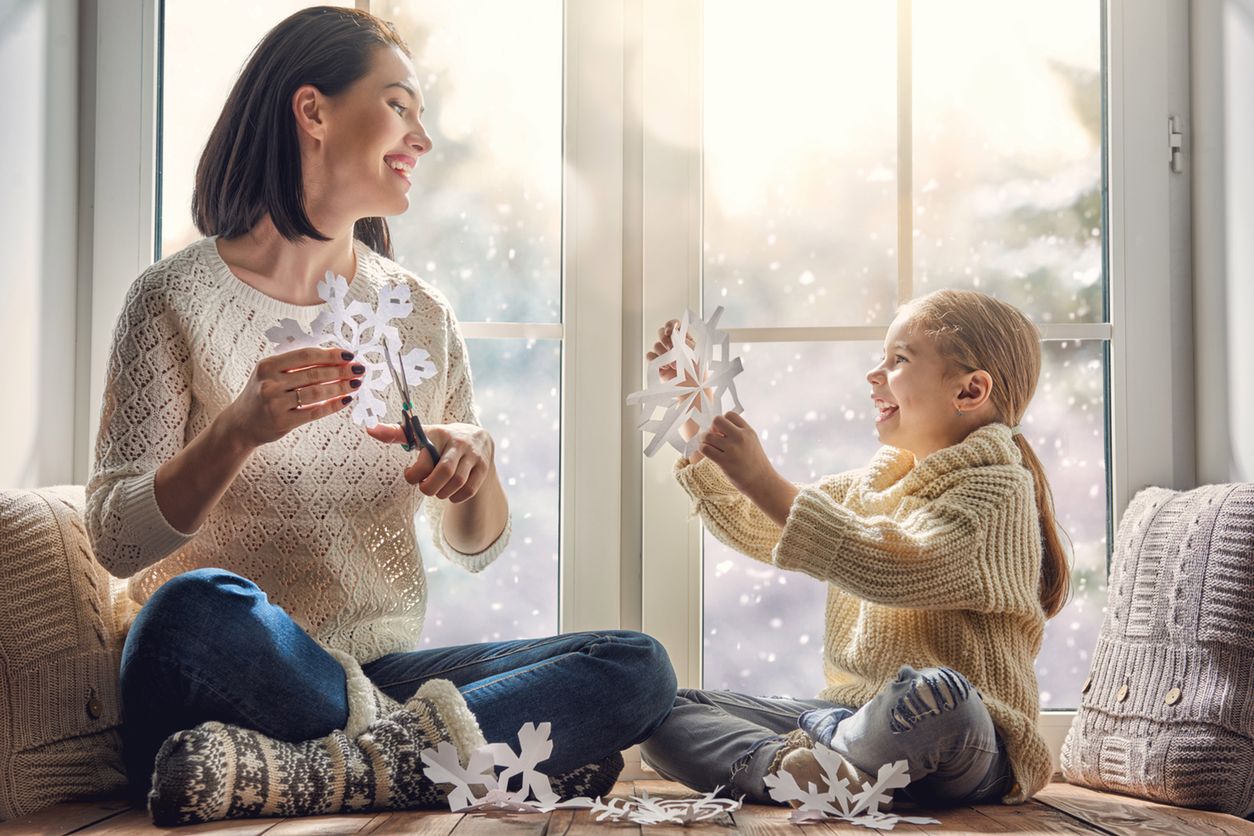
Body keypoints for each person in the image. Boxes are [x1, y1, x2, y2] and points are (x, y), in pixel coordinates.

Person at [86, 6, 674, 825]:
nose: (421, 138)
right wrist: (238, 431)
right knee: (193, 607)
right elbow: (115, 539)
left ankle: (321, 773)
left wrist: (476, 474)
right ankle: (457, 763)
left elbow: (472, 547)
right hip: (217, 678)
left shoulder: (417, 314)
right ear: (313, 111)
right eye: (399, 105)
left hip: (374, 672)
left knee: (635, 664)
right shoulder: (172, 298)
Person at [640, 288, 1068, 809]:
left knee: (939, 696)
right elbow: (765, 526)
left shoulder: (999, 491)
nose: (874, 374)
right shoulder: (873, 485)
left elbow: (895, 562)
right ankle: (797, 769)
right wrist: (697, 407)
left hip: (968, 742)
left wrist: (764, 478)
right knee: (660, 709)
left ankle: (824, 757)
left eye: (898, 360)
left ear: (970, 390)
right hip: (852, 718)